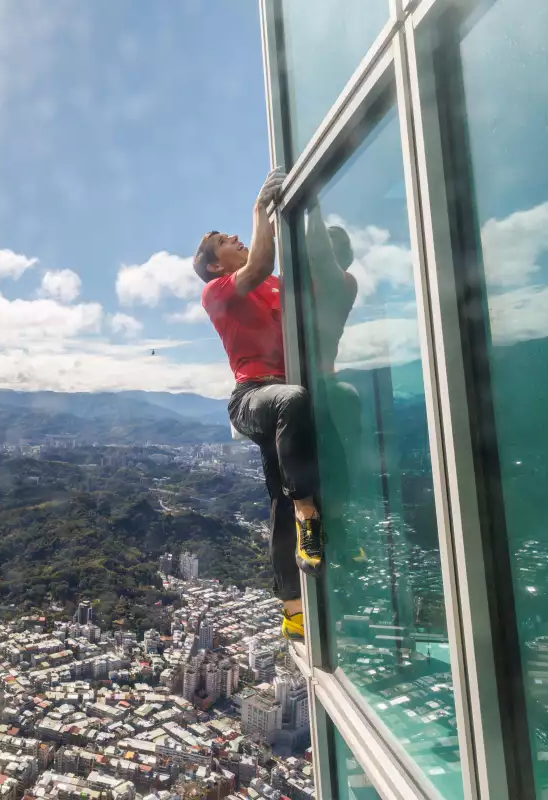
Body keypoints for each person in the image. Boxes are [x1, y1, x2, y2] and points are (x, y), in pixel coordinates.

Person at [192, 168, 358, 643]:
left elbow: (319, 277)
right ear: (214, 267)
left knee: (278, 498)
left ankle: (293, 610)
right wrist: (260, 210)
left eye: (235, 233)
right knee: (294, 400)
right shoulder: (220, 290)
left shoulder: (277, 286)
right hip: (254, 397)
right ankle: (313, 515)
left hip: (288, 403)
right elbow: (261, 263)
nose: (237, 238)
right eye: (224, 240)